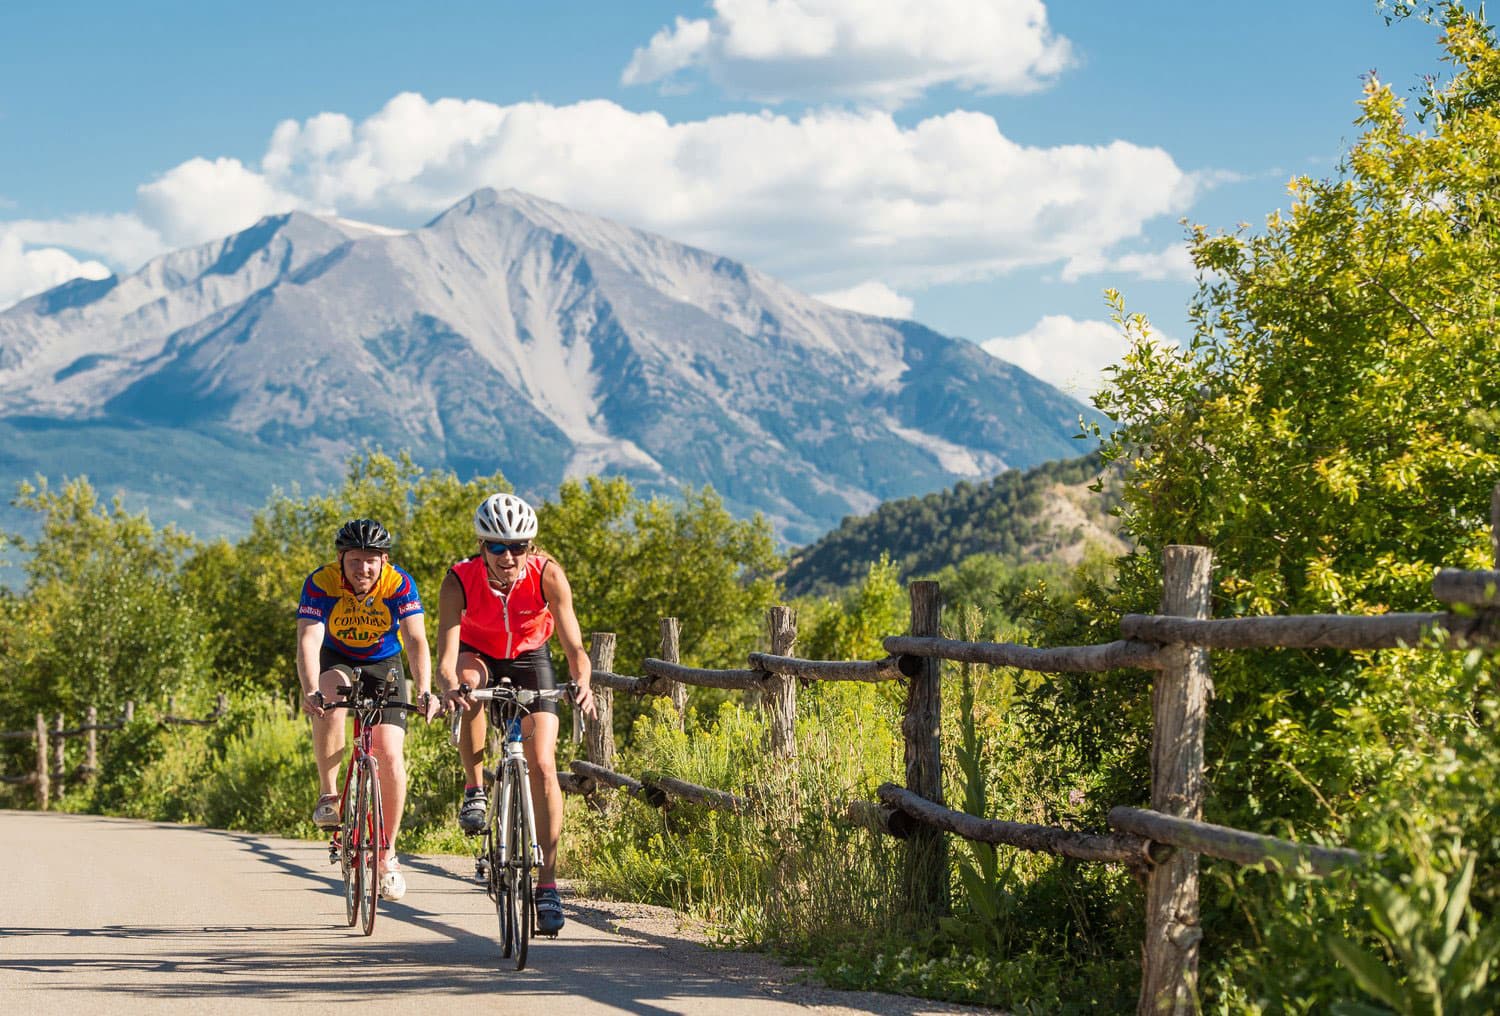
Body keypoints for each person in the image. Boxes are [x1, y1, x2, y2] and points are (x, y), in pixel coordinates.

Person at [437, 492, 596, 935]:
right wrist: (451, 686)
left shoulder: (548, 575)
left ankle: (547, 884)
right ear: (481, 546)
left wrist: (582, 681)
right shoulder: (459, 580)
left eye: (519, 546)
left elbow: (575, 649)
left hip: (530, 656)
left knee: (544, 764)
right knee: (469, 686)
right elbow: (447, 657)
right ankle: (475, 787)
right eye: (497, 547)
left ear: (531, 546)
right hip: (479, 653)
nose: (509, 557)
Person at [296, 518, 439, 902]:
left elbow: (415, 639)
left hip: (384, 664)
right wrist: (310, 689)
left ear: (384, 560)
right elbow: (309, 640)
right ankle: (329, 796)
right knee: (329, 694)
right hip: (337, 656)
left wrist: (425, 690)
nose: (364, 568)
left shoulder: (399, 583)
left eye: (371, 560)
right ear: (341, 559)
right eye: (355, 560)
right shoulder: (321, 582)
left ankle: (387, 855)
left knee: (389, 754)